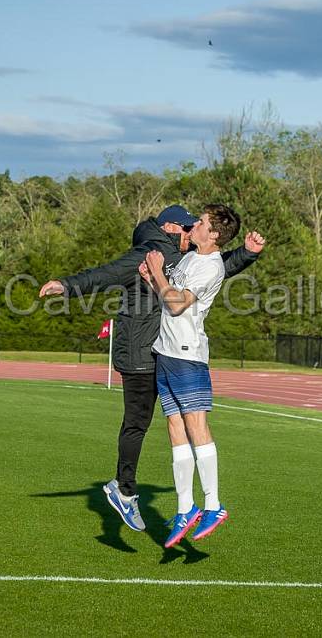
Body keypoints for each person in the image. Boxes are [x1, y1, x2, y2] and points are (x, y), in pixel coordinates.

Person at [39, 205, 265, 532]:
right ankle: (125, 490)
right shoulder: (149, 253)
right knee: (139, 422)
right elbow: (105, 274)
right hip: (140, 352)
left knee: (175, 424)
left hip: (162, 350)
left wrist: (247, 253)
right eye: (188, 226)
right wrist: (66, 285)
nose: (191, 231)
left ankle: (185, 506)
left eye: (196, 225)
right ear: (171, 227)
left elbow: (215, 267)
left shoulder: (180, 253)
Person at [138, 204, 240, 547]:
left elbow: (179, 303)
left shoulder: (211, 265)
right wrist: (152, 279)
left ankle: (214, 505)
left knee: (197, 428)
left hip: (187, 355)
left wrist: (159, 273)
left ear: (213, 234)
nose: (194, 225)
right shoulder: (190, 258)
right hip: (166, 351)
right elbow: (167, 299)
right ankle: (186, 508)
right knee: (175, 429)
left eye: (201, 223)